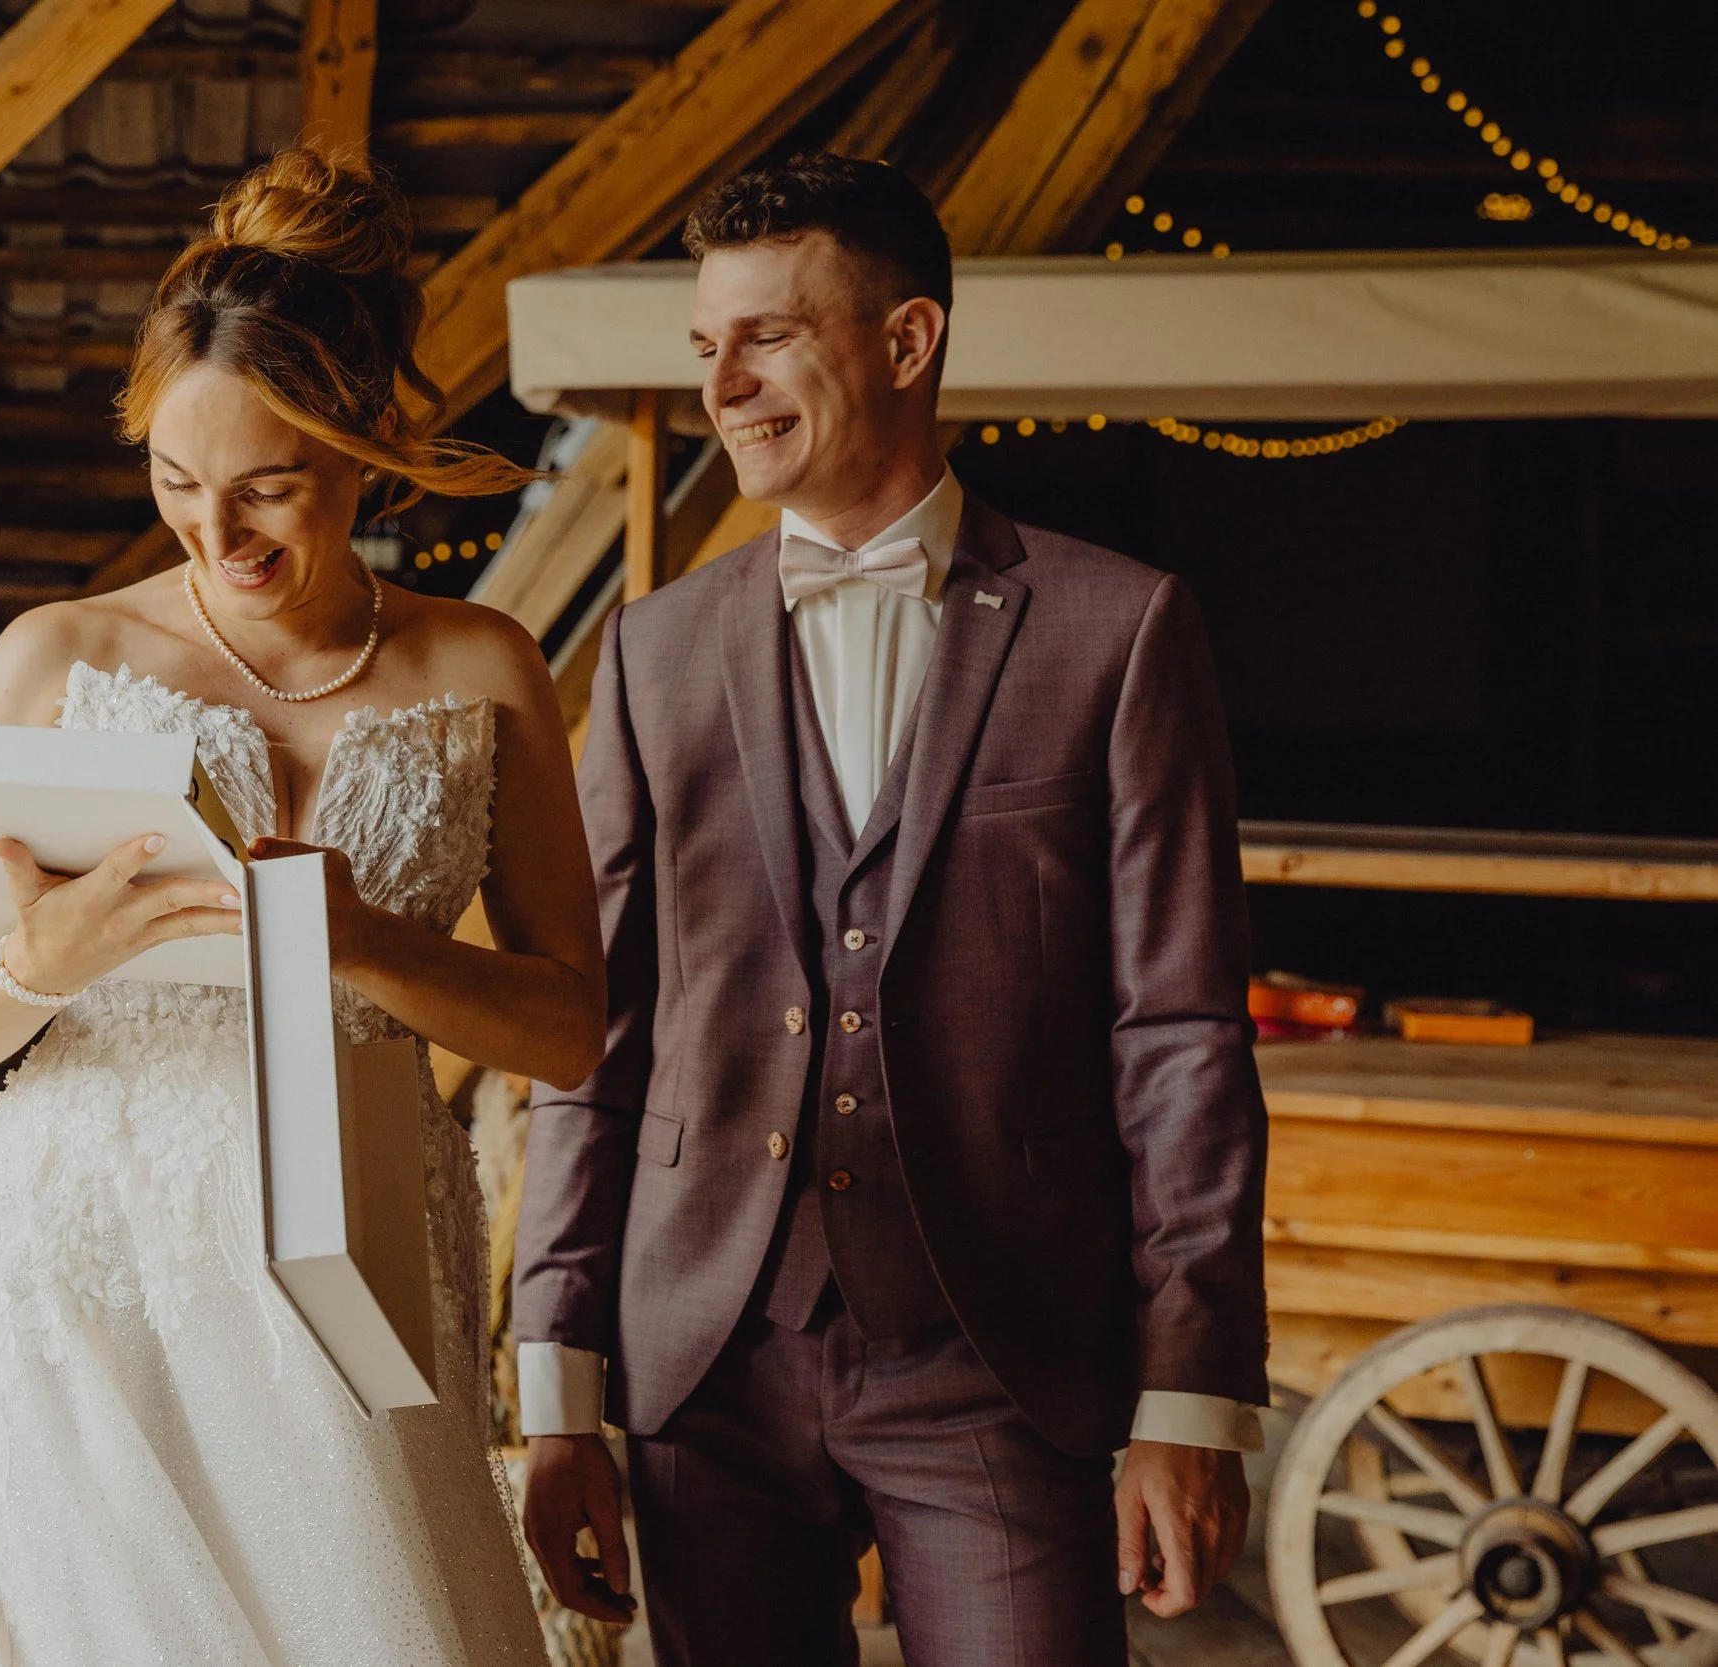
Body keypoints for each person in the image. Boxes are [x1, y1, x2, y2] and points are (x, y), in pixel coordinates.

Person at [514, 152, 1270, 1667]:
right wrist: (558, 1387)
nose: (724, 383)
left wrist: (1189, 1395)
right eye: (703, 347)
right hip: (701, 1365)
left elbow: (1180, 1032)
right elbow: (593, 1031)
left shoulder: (1117, 628)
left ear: (907, 340)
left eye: (767, 336)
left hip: (993, 1355)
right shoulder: (654, 653)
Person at [0, 147, 604, 1666]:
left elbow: (571, 1028)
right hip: (83, 1271)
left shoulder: (485, 669)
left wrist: (370, 944)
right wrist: (40, 956)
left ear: (364, 445)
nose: (218, 540)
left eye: (269, 489)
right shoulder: (57, 657)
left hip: (361, 1262)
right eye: (175, 486)